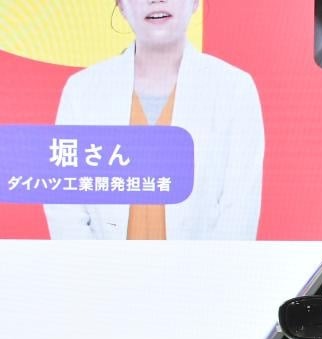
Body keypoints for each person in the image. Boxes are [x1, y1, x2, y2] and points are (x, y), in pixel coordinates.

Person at [45, 0, 264, 240]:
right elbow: (65, 210)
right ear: (121, 6)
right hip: (101, 265)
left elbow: (239, 214)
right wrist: (96, 265)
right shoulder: (81, 91)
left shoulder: (234, 90)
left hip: (204, 265)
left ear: (195, 3)